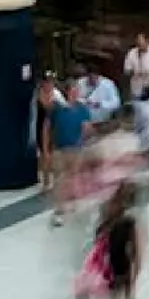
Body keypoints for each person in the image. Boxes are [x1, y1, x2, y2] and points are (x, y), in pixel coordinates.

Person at [98, 182, 142, 299]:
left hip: (123, 262)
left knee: (127, 292)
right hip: (111, 264)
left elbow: (135, 245)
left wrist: (137, 264)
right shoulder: (106, 222)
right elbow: (98, 243)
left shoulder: (128, 222)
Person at [44, 80, 93, 226]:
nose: (75, 93)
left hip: (76, 149)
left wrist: (85, 141)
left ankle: (74, 205)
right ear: (66, 92)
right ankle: (59, 211)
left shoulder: (82, 109)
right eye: (73, 90)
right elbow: (47, 127)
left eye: (76, 90)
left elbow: (87, 128)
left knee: (75, 178)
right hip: (60, 149)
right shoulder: (57, 109)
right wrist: (46, 149)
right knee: (60, 180)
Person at [123, 33, 149, 101]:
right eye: (138, 44)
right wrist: (135, 72)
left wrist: (147, 72)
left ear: (147, 41)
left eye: (142, 44)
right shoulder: (132, 52)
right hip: (136, 89)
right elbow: (126, 70)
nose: (140, 47)